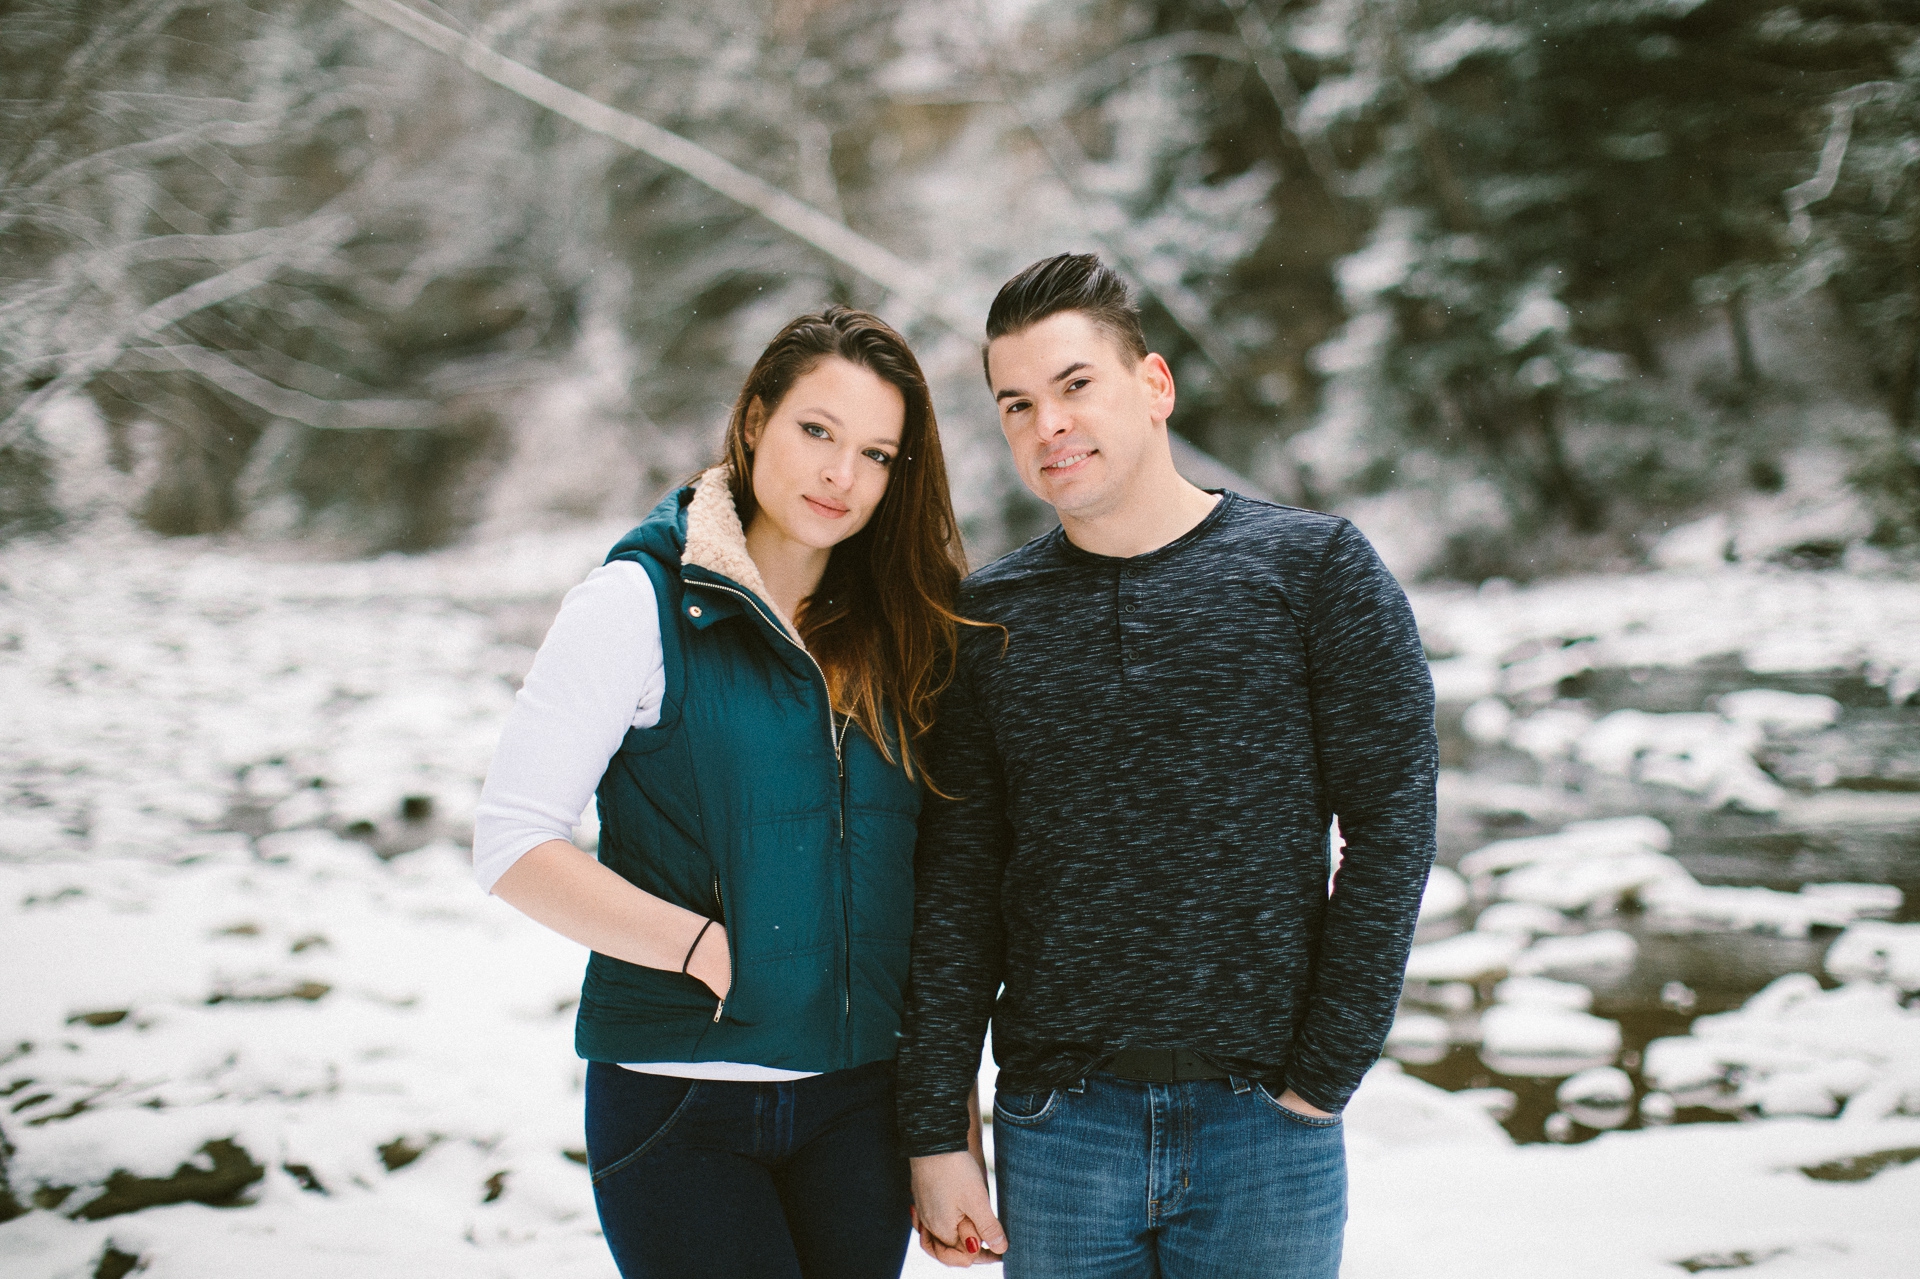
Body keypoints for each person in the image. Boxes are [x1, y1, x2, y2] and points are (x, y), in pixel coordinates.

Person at [897, 254, 1438, 1278]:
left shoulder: (1315, 571)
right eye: (1015, 404)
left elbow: (1393, 825)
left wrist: (1323, 1076)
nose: (1046, 424)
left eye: (1074, 385)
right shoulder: (987, 621)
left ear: (1153, 386)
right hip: (1059, 1128)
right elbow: (957, 886)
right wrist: (938, 1131)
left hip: (1264, 1126)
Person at [471, 306, 973, 1279]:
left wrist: (949, 1126)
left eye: (876, 453)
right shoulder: (638, 603)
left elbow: (934, 892)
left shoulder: (906, 631)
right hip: (680, 1101)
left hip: (858, 1109)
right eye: (817, 431)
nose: (841, 475)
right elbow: (514, 843)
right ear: (753, 423)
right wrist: (703, 951)